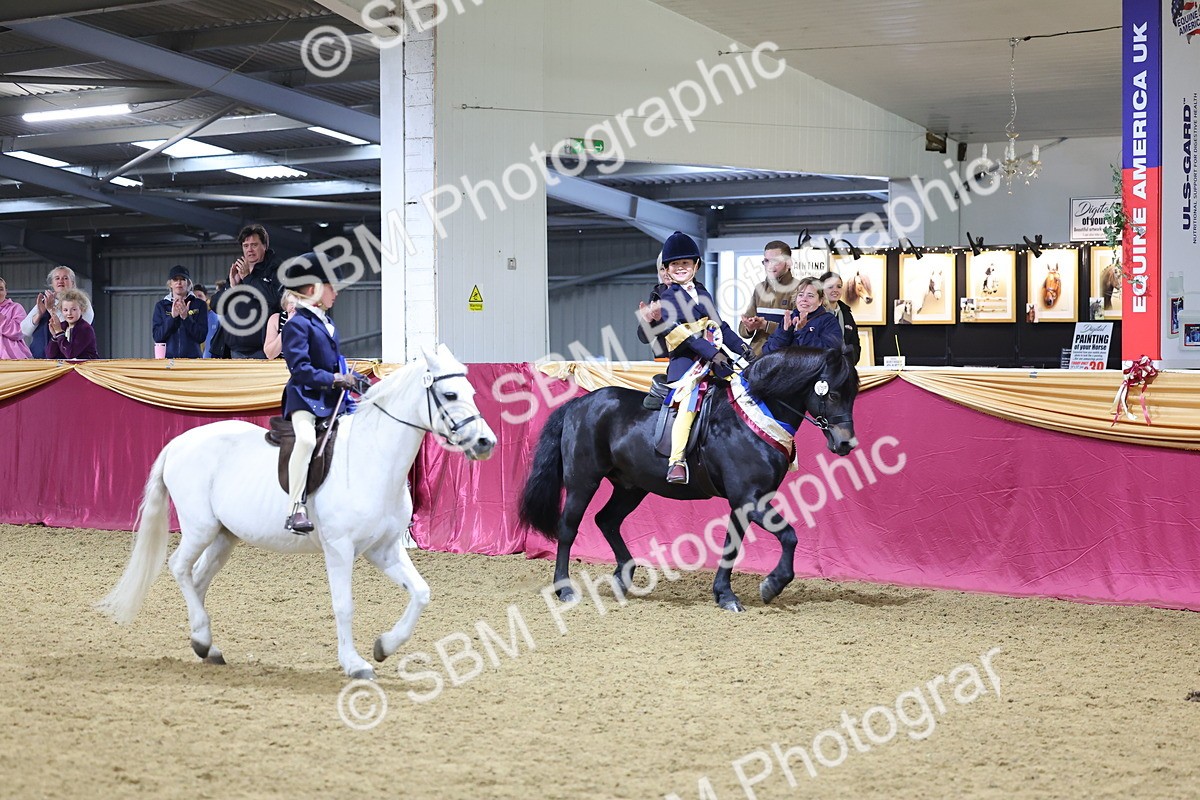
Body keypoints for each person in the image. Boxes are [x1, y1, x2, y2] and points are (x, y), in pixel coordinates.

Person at [656, 231, 751, 485]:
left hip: (714, 361)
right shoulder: (667, 297)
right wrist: (715, 355)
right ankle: (676, 461)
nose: (680, 268)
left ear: (696, 265)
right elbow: (686, 337)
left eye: (685, 264)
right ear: (667, 268)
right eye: (675, 265)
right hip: (687, 365)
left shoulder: (702, 292)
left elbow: (720, 326)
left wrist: (742, 348)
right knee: (688, 404)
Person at [279, 256, 365, 533]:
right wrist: (336, 379)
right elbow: (301, 370)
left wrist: (353, 379)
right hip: (305, 398)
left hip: (331, 398)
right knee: (305, 440)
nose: (336, 292)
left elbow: (333, 362)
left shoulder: (326, 323)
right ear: (311, 288)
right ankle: (295, 509)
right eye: (331, 286)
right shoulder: (296, 324)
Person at [209, 224, 284, 359]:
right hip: (234, 351)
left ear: (265, 246)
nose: (249, 250)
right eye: (245, 246)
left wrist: (249, 278)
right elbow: (215, 306)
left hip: (262, 352)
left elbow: (276, 299)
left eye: (254, 245)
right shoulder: (239, 270)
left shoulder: (276, 269)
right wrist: (232, 287)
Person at [739, 240, 800, 357]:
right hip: (757, 359)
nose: (770, 265)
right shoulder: (759, 288)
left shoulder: (800, 290)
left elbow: (799, 331)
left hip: (785, 360)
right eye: (766, 261)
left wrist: (766, 325)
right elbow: (743, 330)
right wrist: (749, 327)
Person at [21, 266, 95, 359]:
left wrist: (52, 310)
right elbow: (24, 330)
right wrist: (39, 314)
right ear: (52, 283)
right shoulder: (45, 301)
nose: (61, 281)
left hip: (69, 361)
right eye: (57, 278)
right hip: (41, 359)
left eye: (65, 278)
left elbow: (72, 327)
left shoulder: (81, 301)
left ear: (72, 283)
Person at [762, 276, 844, 355]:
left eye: (810, 296)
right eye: (800, 295)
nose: (804, 299)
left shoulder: (828, 321)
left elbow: (831, 353)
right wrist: (784, 333)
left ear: (820, 301)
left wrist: (803, 332)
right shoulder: (790, 319)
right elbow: (767, 351)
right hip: (787, 368)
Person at [152, 265, 209, 359]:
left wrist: (186, 318)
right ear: (170, 284)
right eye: (175, 279)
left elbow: (201, 336)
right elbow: (157, 337)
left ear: (188, 283)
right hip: (168, 361)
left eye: (183, 279)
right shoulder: (161, 306)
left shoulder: (200, 305)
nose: (179, 282)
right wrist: (172, 318)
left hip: (193, 361)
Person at [819, 270, 862, 364]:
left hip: (843, 369)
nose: (835, 290)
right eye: (830, 287)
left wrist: (849, 361)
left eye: (839, 286)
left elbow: (855, 344)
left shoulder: (846, 313)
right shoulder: (814, 314)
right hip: (820, 369)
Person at [45, 289, 99, 360]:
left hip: (85, 368)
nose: (69, 313)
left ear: (82, 309)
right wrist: (55, 336)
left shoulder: (85, 329)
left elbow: (70, 354)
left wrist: (59, 332)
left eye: (74, 309)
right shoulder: (62, 326)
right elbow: (50, 355)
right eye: (65, 310)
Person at [635, 256, 671, 359]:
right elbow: (644, 338)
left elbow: (681, 333)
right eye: (662, 269)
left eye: (669, 268)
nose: (666, 273)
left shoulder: (691, 294)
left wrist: (659, 319)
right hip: (662, 359)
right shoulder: (657, 293)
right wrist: (647, 321)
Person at [0, 277, 33, 359]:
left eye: (0, 289)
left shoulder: (15, 308)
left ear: (6, 292)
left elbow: (19, 332)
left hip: (13, 360)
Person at [264, 290, 302, 360]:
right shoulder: (275, 319)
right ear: (285, 305)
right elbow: (270, 355)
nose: (295, 307)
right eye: (291, 303)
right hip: (279, 367)